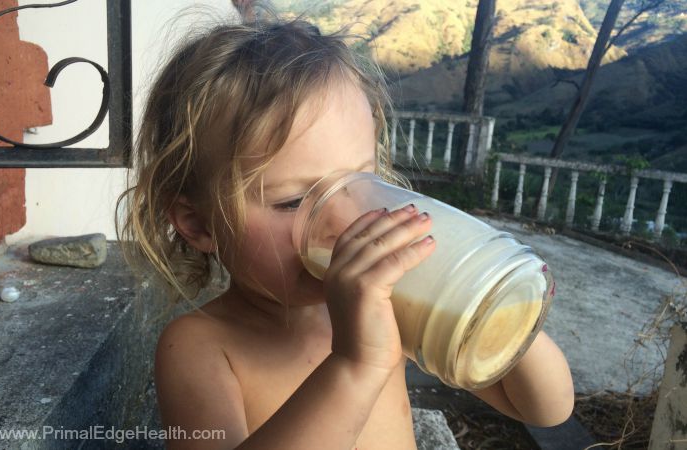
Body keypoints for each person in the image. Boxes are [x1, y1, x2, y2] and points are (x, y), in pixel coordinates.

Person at [116, 13, 574, 450]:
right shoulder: (199, 347)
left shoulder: (392, 303)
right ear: (198, 223)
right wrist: (357, 365)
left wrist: (496, 302)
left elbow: (544, 408)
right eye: (292, 201)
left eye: (362, 181)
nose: (343, 222)